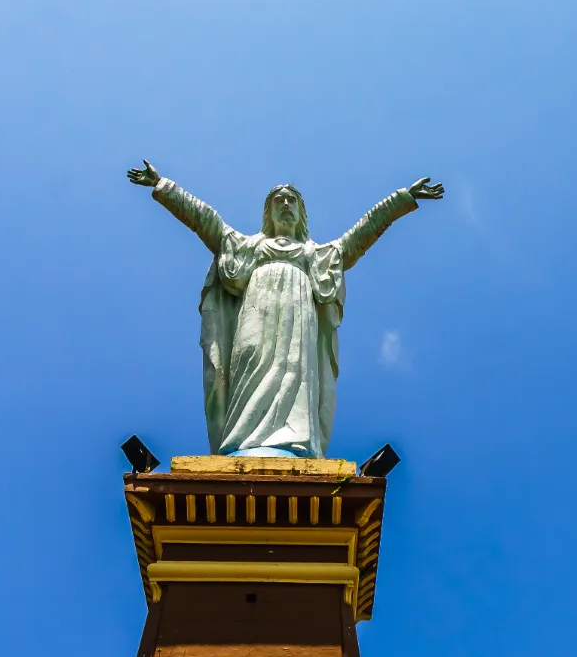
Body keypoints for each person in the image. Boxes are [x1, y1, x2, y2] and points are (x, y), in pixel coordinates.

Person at [128, 162, 441, 458]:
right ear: (270, 212)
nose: (286, 205)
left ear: (301, 213)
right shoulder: (247, 246)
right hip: (256, 308)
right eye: (279, 201)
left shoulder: (314, 254)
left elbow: (360, 235)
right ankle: (242, 440)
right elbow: (205, 219)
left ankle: (292, 441)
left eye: (291, 200)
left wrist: (402, 200)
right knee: (249, 358)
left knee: (294, 371)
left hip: (298, 314)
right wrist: (162, 185)